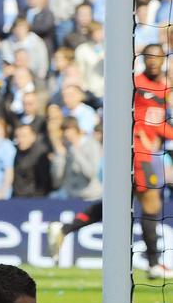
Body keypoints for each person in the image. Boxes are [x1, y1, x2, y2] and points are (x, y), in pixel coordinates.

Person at [48, 44, 173, 279]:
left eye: (158, 57)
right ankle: (154, 262)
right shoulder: (136, 84)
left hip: (149, 153)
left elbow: (158, 124)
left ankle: (65, 228)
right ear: (143, 60)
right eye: (150, 57)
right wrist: (137, 133)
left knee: (118, 203)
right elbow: (119, 112)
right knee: (151, 203)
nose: (155, 62)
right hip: (137, 153)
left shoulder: (163, 87)